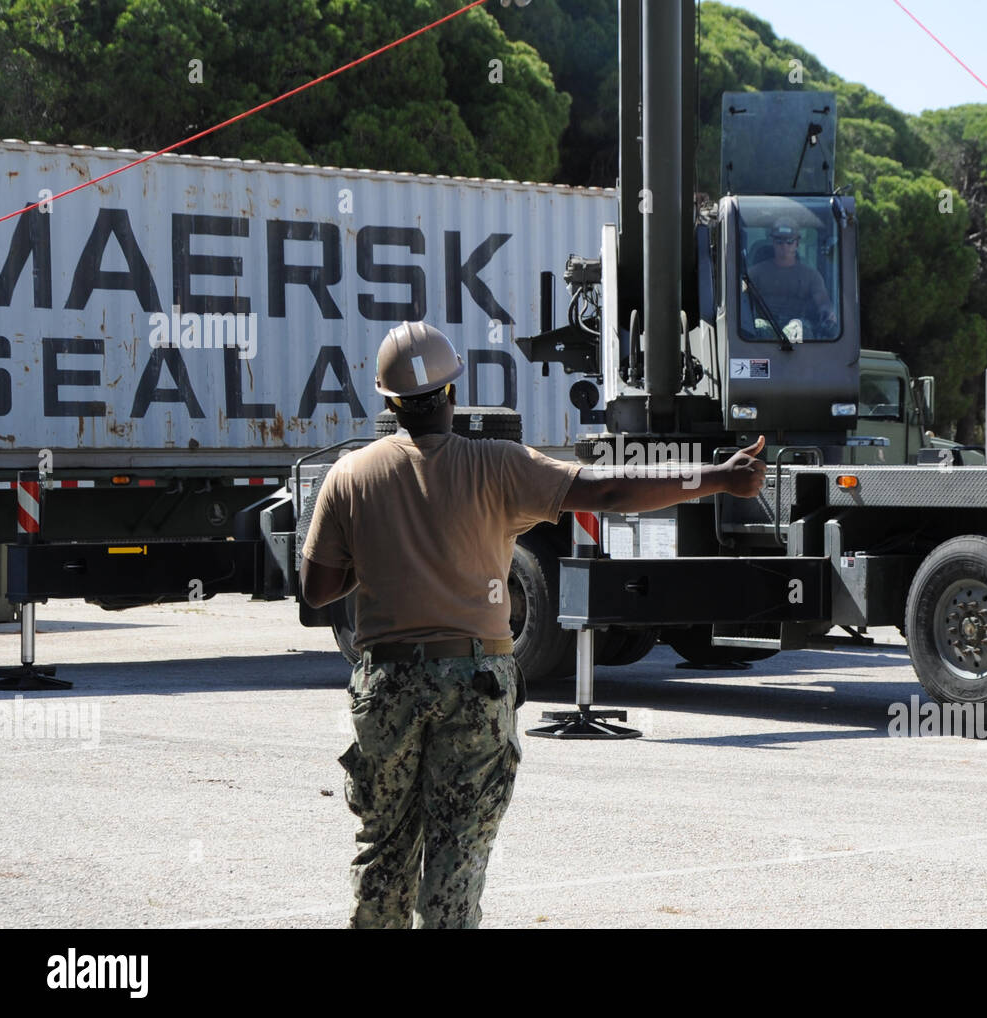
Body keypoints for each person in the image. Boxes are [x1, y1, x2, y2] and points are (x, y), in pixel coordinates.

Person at [300, 320, 767, 929]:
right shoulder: (498, 465)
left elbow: (316, 592)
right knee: (457, 857)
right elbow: (611, 491)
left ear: (388, 402)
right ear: (450, 395)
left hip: (386, 685)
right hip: (474, 683)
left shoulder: (349, 476)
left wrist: (381, 551)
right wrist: (721, 478)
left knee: (383, 851)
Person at [747, 220, 838, 338]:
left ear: (797, 243)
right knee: (757, 327)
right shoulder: (755, 273)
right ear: (773, 242)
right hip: (764, 331)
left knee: (799, 328)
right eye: (779, 241)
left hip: (797, 333)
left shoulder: (810, 275)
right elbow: (740, 299)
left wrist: (828, 312)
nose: (784, 246)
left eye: (789, 241)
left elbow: (823, 303)